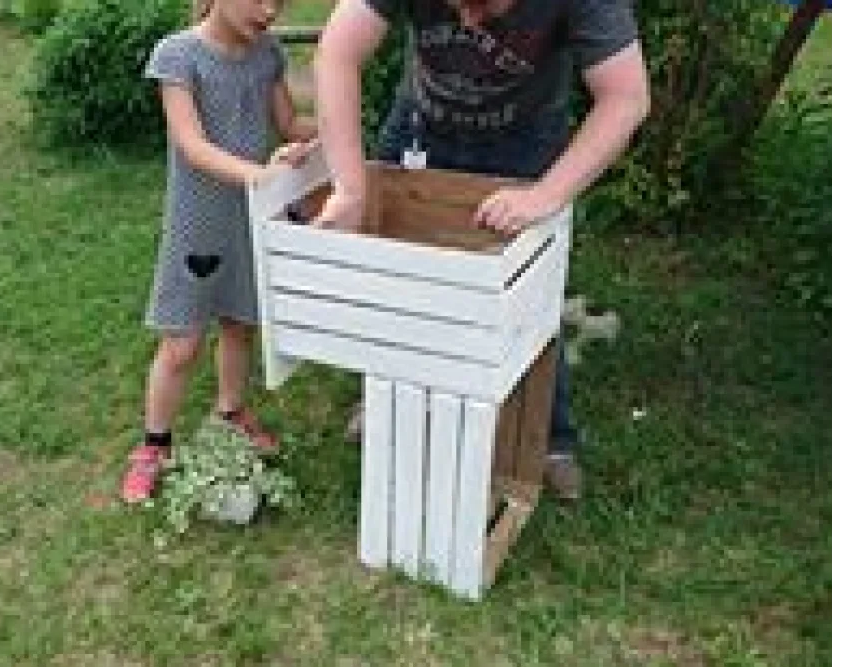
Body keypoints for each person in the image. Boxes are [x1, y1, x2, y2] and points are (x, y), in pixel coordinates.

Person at [314, 0, 650, 500]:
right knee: (400, 282)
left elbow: (625, 98)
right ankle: (388, 401)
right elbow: (337, 53)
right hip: (420, 129)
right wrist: (350, 186)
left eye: (485, 3)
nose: (468, 20)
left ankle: (546, 440)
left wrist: (546, 195)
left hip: (527, 141)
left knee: (530, 293)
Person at [120, 0, 316, 503]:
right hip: (198, 222)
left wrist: (320, 137)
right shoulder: (178, 56)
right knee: (181, 344)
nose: (270, 11)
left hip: (251, 218)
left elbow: (289, 124)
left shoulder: (268, 54)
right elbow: (192, 146)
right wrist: (259, 175)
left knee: (240, 322)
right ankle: (154, 445)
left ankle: (230, 413)